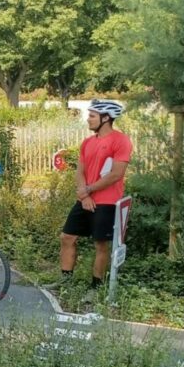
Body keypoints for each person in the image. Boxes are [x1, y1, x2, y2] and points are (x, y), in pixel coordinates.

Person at [58, 99, 132, 291]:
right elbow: (80, 172)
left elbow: (116, 174)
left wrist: (89, 190)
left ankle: (96, 287)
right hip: (84, 200)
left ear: (106, 118)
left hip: (107, 202)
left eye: (92, 116)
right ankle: (66, 282)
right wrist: (85, 196)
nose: (88, 119)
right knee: (67, 237)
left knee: (101, 245)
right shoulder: (87, 142)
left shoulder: (120, 141)